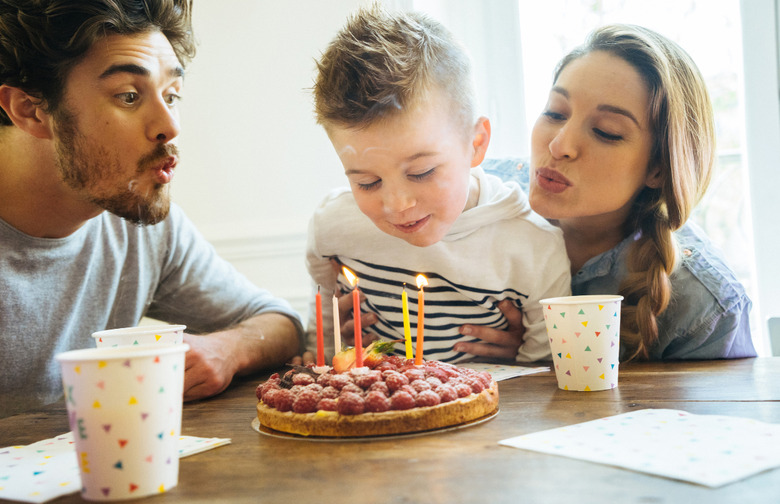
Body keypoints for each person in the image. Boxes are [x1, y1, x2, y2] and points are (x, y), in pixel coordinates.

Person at [0, 0, 303, 418]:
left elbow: (280, 322)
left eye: (171, 94)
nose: (171, 126)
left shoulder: (140, 223)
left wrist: (226, 348)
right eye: (128, 96)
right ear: (30, 110)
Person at [302, 5, 571, 366]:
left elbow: (543, 375)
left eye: (422, 172)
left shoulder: (534, 250)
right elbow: (323, 323)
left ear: (475, 143)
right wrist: (334, 342)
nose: (397, 204)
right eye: (368, 182)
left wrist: (520, 359)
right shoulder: (332, 227)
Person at [484, 24, 755, 360]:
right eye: (555, 113)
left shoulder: (704, 306)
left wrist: (537, 361)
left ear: (658, 168)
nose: (559, 145)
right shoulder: (465, 197)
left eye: (606, 132)